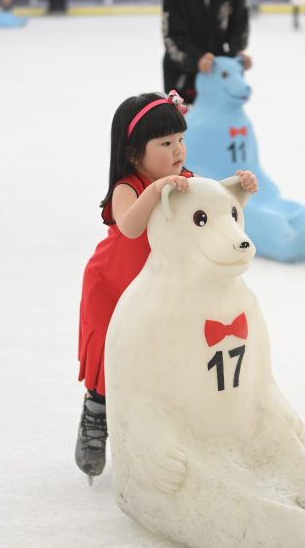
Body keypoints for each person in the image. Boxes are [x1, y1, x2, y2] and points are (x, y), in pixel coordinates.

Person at [76, 91, 258, 480]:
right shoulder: (130, 186)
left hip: (162, 289)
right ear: (132, 153)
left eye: (180, 140)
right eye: (165, 143)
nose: (178, 150)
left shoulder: (187, 182)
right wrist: (155, 191)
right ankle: (97, 413)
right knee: (114, 356)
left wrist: (236, 187)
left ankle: (167, 424)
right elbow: (129, 226)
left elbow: (214, 211)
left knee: (163, 357)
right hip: (115, 285)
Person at [161, 0, 251, 105]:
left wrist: (236, 54)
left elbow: (239, 24)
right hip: (181, 76)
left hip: (217, 73)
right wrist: (196, 59)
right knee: (183, 129)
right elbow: (172, 35)